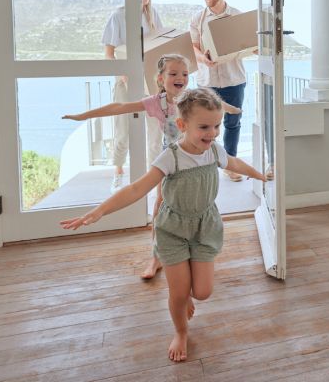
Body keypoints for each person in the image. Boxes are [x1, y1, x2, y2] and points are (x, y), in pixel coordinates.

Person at [60, 88, 265, 362]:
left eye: (216, 126)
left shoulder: (214, 150)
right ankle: (181, 331)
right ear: (182, 125)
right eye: (204, 127)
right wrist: (99, 212)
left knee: (202, 292)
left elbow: (235, 163)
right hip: (173, 231)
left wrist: (258, 175)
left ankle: (186, 294)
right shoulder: (171, 157)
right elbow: (136, 189)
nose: (213, 133)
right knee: (178, 294)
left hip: (204, 227)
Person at [62, 54, 240, 280]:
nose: (180, 78)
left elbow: (216, 104)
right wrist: (83, 116)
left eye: (185, 74)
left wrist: (233, 109)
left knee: (197, 203)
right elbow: (119, 106)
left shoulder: (194, 98)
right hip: (172, 160)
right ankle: (157, 256)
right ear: (160, 78)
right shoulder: (156, 102)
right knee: (160, 203)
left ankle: (196, 251)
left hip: (196, 160)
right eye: (173, 73)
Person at [102, 0, 163, 191]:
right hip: (125, 83)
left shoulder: (153, 15)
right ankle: (118, 173)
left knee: (155, 133)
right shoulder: (118, 16)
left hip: (150, 82)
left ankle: (154, 179)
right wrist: (123, 75)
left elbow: (159, 47)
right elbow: (109, 54)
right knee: (123, 133)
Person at [189, 0, 247, 182]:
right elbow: (193, 47)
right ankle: (204, 166)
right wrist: (203, 60)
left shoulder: (237, 16)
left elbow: (245, 44)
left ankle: (230, 165)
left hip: (234, 79)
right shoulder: (198, 19)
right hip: (207, 81)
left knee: (233, 122)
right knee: (205, 125)